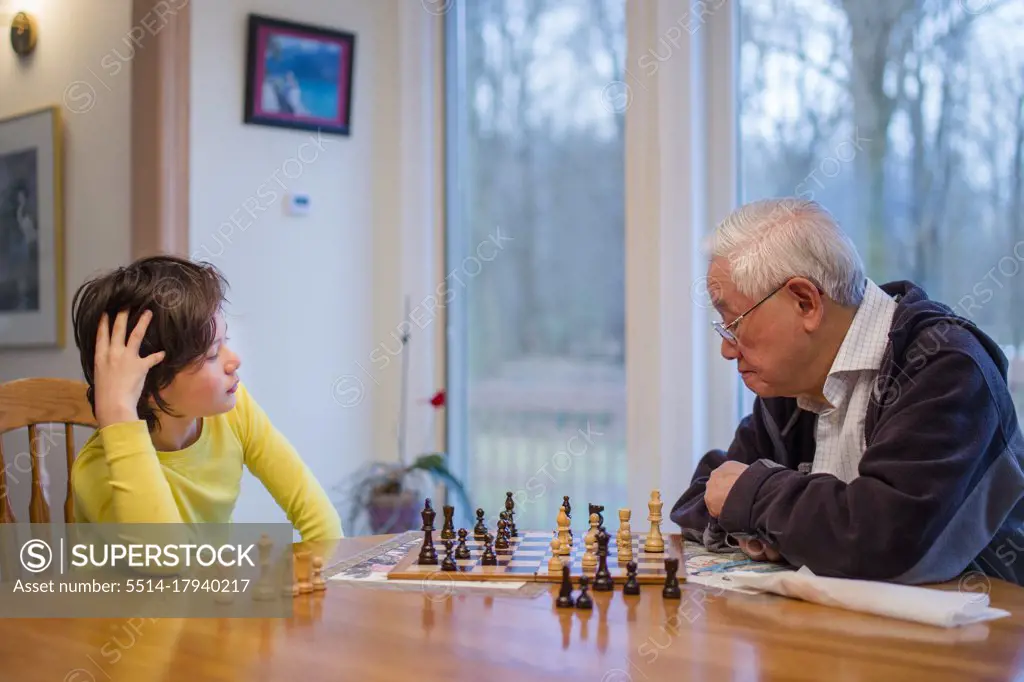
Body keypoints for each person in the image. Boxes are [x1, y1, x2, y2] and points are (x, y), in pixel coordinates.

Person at [670, 197, 1024, 586]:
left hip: (974, 633)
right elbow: (708, 493)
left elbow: (884, 541)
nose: (727, 348)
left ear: (805, 301)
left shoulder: (946, 367)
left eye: (733, 323)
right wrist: (764, 518)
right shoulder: (791, 386)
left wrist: (757, 504)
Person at [70, 255, 343, 542]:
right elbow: (165, 560)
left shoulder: (234, 411)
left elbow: (322, 522)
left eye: (225, 342)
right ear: (150, 384)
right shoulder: (98, 471)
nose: (234, 360)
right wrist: (118, 410)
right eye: (212, 354)